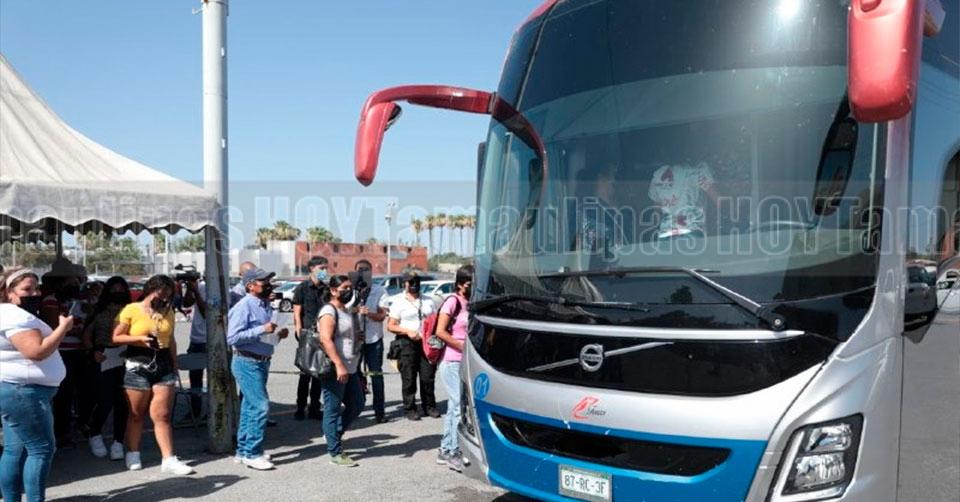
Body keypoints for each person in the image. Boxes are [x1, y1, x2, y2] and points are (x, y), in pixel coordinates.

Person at [0, 268, 73, 502]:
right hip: (24, 392)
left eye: (37, 288)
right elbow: (37, 352)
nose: (34, 294)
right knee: (41, 449)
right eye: (27, 289)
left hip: (17, 389)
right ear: (9, 292)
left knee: (15, 449)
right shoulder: (16, 317)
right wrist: (62, 329)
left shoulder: (9, 314)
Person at [112, 275, 194, 475]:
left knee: (162, 414)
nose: (165, 298)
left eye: (168, 294)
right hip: (138, 363)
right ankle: (133, 452)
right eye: (161, 293)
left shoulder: (168, 311)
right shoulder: (131, 309)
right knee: (136, 414)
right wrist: (140, 339)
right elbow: (116, 337)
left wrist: (174, 364)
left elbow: (171, 339)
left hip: (163, 363)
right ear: (150, 290)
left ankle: (169, 458)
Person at [228, 268, 288, 470]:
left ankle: (243, 450)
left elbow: (266, 335)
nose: (269, 285)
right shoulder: (244, 306)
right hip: (247, 361)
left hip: (261, 360)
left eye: (269, 281)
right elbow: (233, 337)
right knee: (260, 406)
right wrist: (262, 329)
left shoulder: (264, 305)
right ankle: (252, 453)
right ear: (250, 286)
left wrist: (278, 334)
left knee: (249, 407)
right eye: (264, 282)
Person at [39, 264, 91, 449]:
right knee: (64, 393)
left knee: (81, 390)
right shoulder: (51, 301)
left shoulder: (79, 300)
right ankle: (61, 432)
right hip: (62, 352)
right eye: (72, 279)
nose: (76, 282)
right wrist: (74, 330)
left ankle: (77, 424)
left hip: (79, 350)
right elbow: (54, 328)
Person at [81, 277, 131, 461]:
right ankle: (95, 433)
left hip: (126, 356)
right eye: (114, 289)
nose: (117, 293)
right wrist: (92, 350)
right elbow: (86, 335)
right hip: (103, 355)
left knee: (123, 402)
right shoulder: (98, 310)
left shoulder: (131, 310)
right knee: (105, 399)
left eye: (121, 289)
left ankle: (118, 441)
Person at [318, 275, 365, 467]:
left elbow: (345, 335)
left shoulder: (345, 310)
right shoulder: (328, 311)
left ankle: (333, 434)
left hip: (351, 367)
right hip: (335, 368)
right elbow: (325, 339)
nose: (349, 291)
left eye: (350, 287)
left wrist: (357, 336)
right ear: (333, 290)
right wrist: (338, 364)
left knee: (357, 404)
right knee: (333, 408)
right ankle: (335, 452)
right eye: (344, 287)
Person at [434, 265, 473, 473]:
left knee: (454, 406)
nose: (472, 288)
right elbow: (440, 331)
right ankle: (452, 451)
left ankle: (445, 448)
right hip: (452, 361)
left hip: (466, 361)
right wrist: (462, 347)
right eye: (469, 284)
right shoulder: (453, 301)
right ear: (460, 284)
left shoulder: (471, 303)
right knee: (459, 406)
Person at [387, 272, 438, 421]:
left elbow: (435, 321)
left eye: (416, 281)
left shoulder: (428, 300)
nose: (414, 284)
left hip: (426, 342)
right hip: (406, 343)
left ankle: (429, 406)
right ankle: (410, 408)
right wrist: (408, 331)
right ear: (405, 284)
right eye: (411, 282)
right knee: (409, 378)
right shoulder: (398, 302)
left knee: (428, 377)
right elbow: (391, 325)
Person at [292, 256, 329, 421]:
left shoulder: (325, 289)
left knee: (318, 373)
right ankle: (300, 407)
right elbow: (297, 313)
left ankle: (315, 407)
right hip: (307, 333)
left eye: (325, 268)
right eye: (321, 268)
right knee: (305, 373)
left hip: (322, 334)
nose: (324, 271)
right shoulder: (302, 288)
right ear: (312, 269)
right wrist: (299, 331)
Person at [354, 259, 389, 423]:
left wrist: (369, 314)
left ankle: (379, 411)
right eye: (359, 270)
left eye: (366, 270)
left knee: (376, 375)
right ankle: (355, 407)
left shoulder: (379, 290)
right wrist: (356, 309)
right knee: (354, 374)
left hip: (374, 339)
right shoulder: (349, 290)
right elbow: (341, 310)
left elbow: (382, 315)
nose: (362, 273)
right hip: (355, 339)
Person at [648, 161, 718, 239]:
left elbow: (656, 210)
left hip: (669, 234)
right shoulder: (699, 170)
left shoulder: (658, 174)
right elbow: (719, 201)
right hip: (690, 232)